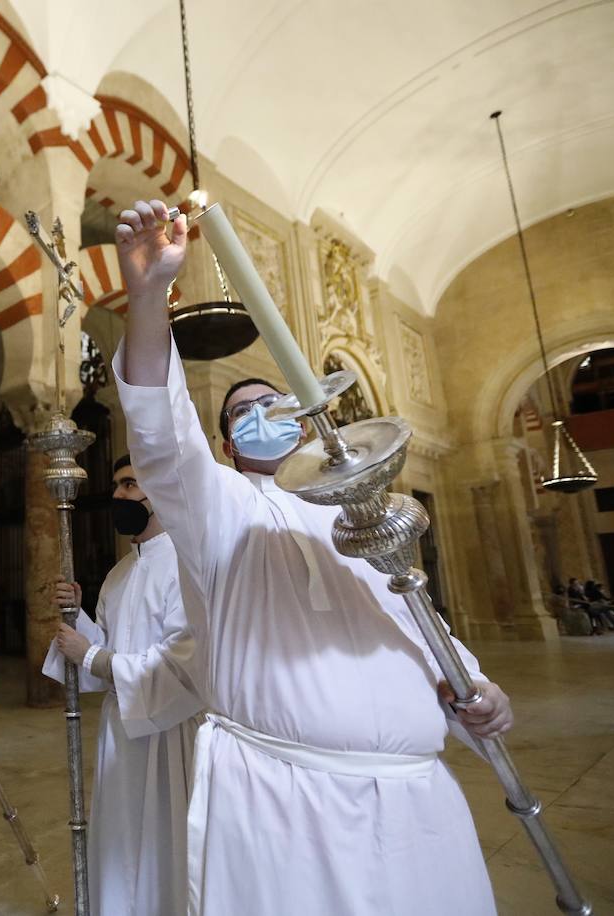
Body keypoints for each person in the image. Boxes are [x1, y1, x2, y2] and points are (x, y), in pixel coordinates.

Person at [110, 199, 513, 915]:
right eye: (241, 412)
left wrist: (476, 690)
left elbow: (415, 613)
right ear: (229, 444)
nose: (263, 414)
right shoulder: (222, 509)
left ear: (307, 422)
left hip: (419, 802)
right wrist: (148, 299)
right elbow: (162, 438)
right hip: (288, 805)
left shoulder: (361, 511)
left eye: (276, 403)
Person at [41, 453, 206, 916]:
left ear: (160, 492)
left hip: (167, 732)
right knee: (119, 837)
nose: (118, 495)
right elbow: (108, 649)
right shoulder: (118, 573)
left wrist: (91, 654)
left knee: (161, 845)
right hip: (121, 729)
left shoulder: (185, 563)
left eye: (130, 484)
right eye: (116, 485)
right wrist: (81, 619)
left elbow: (180, 660)